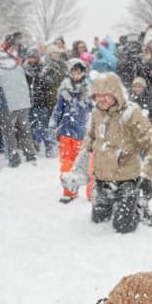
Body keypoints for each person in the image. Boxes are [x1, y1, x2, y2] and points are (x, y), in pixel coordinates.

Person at [66, 73, 152, 233]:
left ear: (116, 93)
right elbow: (88, 141)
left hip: (127, 179)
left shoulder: (131, 113)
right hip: (102, 178)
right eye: (98, 95)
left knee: (123, 227)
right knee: (98, 220)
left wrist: (147, 177)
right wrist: (79, 170)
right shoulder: (96, 114)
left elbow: (151, 145)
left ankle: (139, 206)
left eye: (106, 95)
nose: (101, 99)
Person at [50, 59, 94, 203]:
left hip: (83, 133)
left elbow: (95, 109)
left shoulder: (88, 89)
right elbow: (58, 108)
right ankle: (69, 191)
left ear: (83, 73)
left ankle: (92, 194)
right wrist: (54, 123)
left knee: (86, 165)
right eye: (73, 71)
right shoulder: (64, 89)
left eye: (79, 71)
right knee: (67, 164)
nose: (76, 74)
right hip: (66, 131)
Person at [0, 46, 35, 167]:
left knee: (9, 132)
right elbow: (26, 83)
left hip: (8, 104)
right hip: (23, 102)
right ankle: (30, 154)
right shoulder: (17, 66)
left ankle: (14, 159)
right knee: (25, 129)